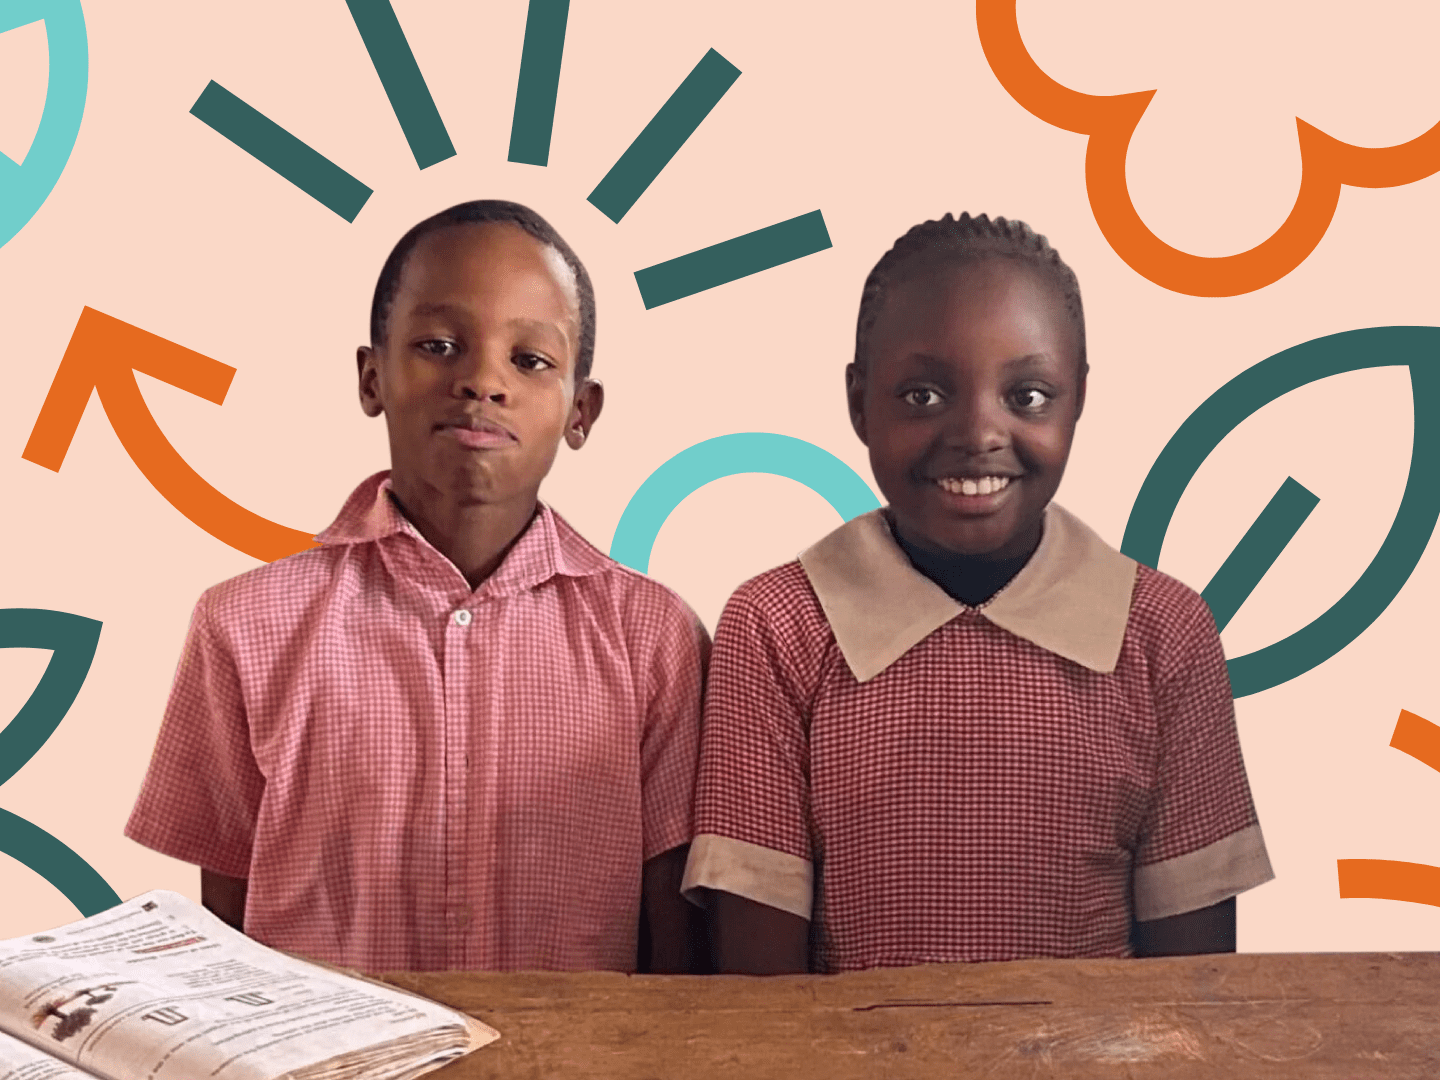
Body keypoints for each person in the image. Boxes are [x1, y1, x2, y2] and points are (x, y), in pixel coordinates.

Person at [682, 212, 1274, 974]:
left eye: (1027, 395)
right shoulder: (780, 625)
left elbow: (1195, 991)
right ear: (860, 402)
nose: (978, 432)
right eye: (923, 395)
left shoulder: (1162, 632)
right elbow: (755, 1001)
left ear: (1078, 398)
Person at [126, 200, 708, 974]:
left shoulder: (653, 640)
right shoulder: (243, 626)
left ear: (582, 410)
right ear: (372, 377)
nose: (480, 381)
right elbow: (226, 930)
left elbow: (675, 957)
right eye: (438, 345)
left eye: (530, 360)